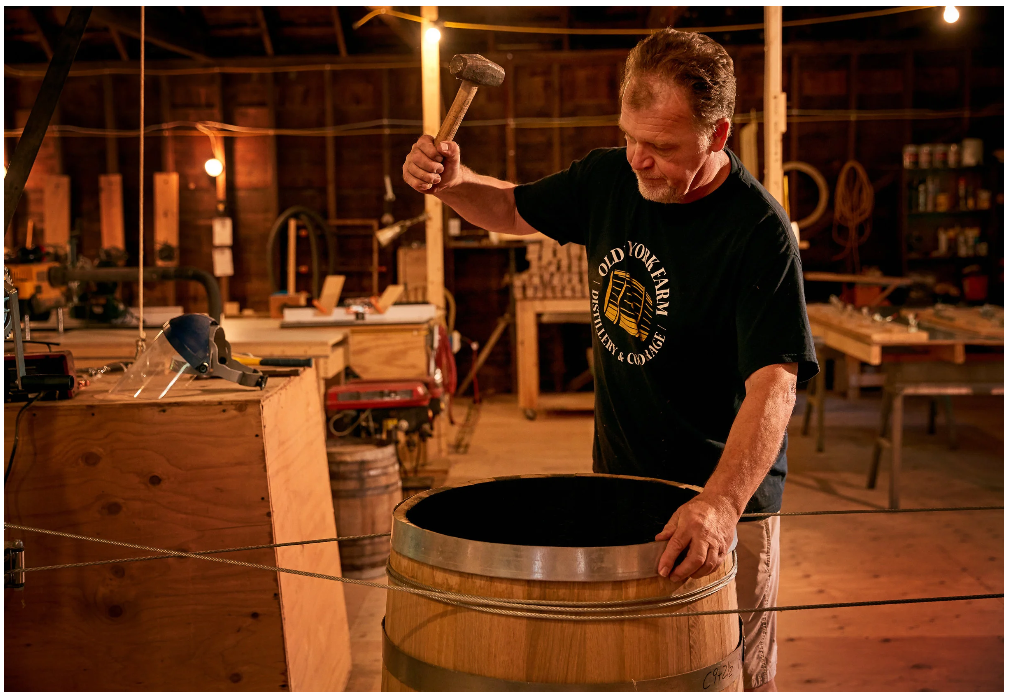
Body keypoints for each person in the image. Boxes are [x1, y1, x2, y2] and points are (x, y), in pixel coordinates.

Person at [403, 29, 818, 692]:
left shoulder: (758, 232)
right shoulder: (609, 176)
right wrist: (455, 183)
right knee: (628, 672)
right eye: (631, 137)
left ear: (719, 136)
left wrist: (720, 504)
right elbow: (510, 207)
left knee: (728, 675)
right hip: (621, 486)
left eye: (662, 146)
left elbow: (774, 385)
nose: (640, 161)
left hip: (723, 504)